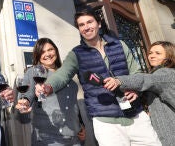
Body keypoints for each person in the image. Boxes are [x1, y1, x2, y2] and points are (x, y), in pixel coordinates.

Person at [36, 10, 161, 145]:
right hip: (106, 123)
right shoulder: (76, 54)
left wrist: (135, 90)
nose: (86, 27)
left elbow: (137, 73)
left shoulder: (120, 45)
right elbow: (62, 75)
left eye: (90, 22)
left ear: (99, 24)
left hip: (136, 117)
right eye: (81, 25)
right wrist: (48, 86)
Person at [15, 38, 96, 146]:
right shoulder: (34, 72)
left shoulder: (65, 74)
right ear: (38, 55)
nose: (47, 54)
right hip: (49, 138)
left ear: (56, 50)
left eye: (50, 49)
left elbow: (73, 104)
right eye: (43, 52)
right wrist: (24, 101)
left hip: (74, 137)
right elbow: (27, 93)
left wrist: (81, 125)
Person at [103, 41, 175, 145]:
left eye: (158, 53)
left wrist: (119, 81)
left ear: (169, 57)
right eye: (150, 53)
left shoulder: (165, 73)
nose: (152, 56)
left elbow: (144, 79)